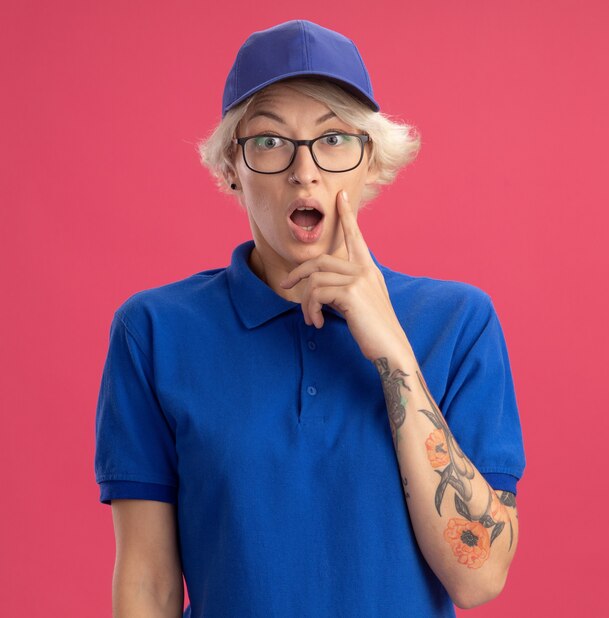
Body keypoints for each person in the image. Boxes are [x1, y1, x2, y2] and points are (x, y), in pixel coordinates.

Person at [94, 19, 526, 617]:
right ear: (230, 168)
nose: (305, 170)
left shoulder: (459, 322)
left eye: (333, 139)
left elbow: (478, 579)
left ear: (370, 162)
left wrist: (394, 354)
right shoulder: (154, 333)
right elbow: (147, 584)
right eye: (269, 142)